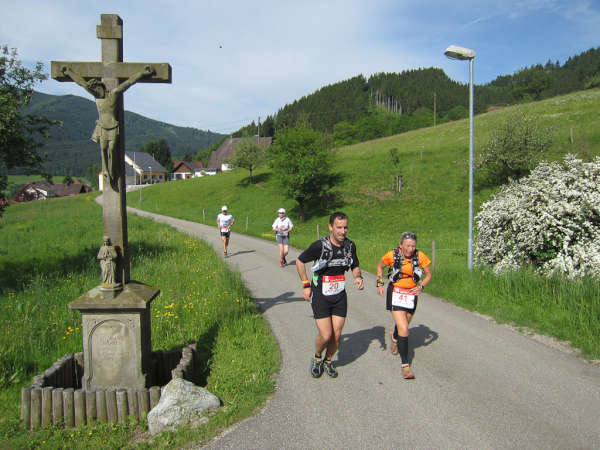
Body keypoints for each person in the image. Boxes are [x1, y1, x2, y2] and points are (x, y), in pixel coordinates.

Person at [296, 212, 364, 378]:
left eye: (345, 227)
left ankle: (328, 361)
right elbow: (300, 261)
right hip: (321, 295)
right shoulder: (320, 246)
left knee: (337, 334)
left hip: (339, 295)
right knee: (326, 336)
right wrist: (306, 284)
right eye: (339, 227)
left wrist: (358, 277)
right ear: (330, 227)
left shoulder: (350, 246)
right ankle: (317, 357)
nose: (343, 231)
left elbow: (355, 265)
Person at [61, 65, 155, 182]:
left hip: (113, 126)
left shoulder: (113, 94)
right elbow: (81, 82)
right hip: (102, 127)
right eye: (93, 90)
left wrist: (141, 73)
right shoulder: (97, 98)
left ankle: (112, 170)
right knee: (103, 149)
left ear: (101, 87)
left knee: (111, 149)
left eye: (96, 89)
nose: (95, 92)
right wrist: (69, 72)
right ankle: (106, 171)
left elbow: (128, 82)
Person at [376, 232, 432, 379]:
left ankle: (394, 337)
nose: (410, 249)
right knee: (405, 329)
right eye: (407, 245)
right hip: (395, 293)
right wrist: (379, 284)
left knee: (403, 326)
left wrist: (421, 287)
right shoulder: (392, 255)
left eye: (413, 246)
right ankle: (405, 366)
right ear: (400, 244)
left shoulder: (419, 256)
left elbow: (428, 275)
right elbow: (380, 267)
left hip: (411, 296)